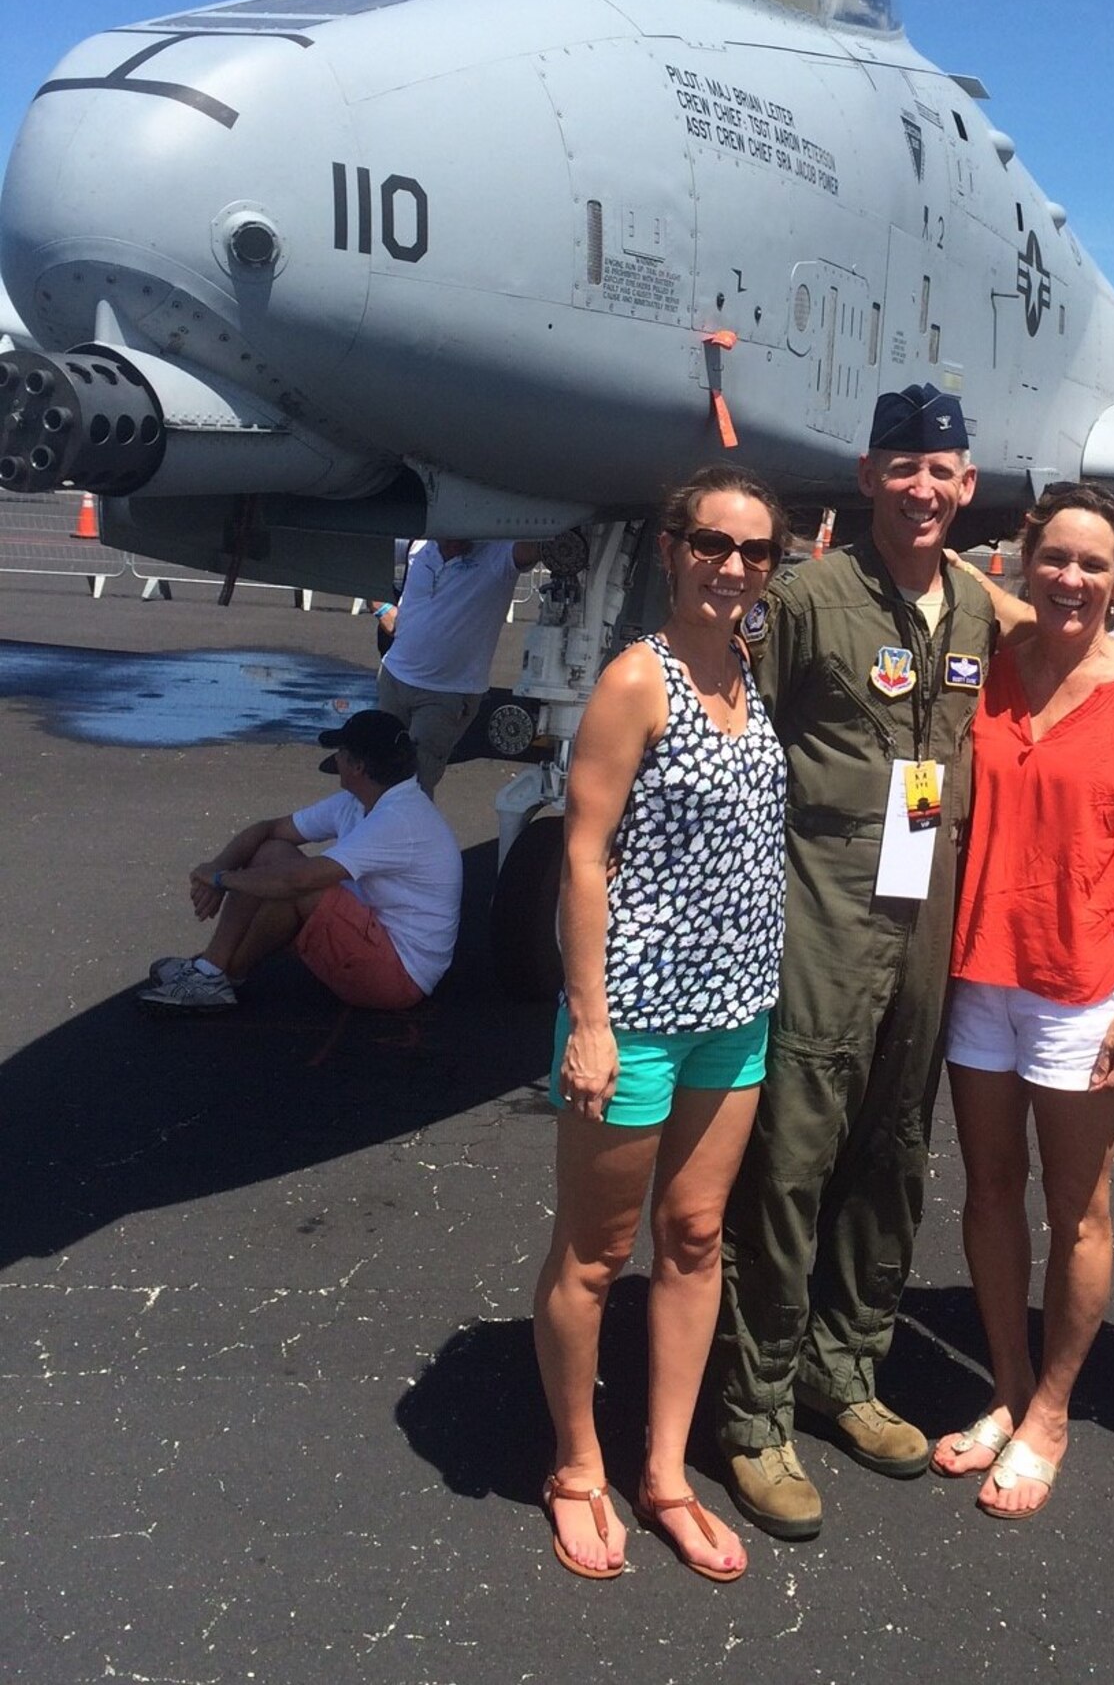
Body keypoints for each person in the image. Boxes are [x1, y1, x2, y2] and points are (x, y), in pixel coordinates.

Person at [714, 381, 996, 1541]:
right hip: (820, 904)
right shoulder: (806, 601)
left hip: (923, 905)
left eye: (941, 471)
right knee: (791, 1154)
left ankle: (846, 1368)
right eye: (900, 466)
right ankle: (755, 1411)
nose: (921, 487)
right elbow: (740, 737)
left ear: (966, 485)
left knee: (892, 1143)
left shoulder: (977, 606)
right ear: (870, 476)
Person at [532, 465, 788, 1583]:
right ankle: (576, 1464)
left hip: (733, 1011)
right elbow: (582, 851)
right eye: (710, 543)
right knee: (595, 1252)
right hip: (631, 1015)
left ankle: (666, 1470)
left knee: (692, 1238)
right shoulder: (639, 678)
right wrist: (586, 1018)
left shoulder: (751, 665)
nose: (731, 565)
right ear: (671, 546)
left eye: (754, 550)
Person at [932, 482, 1114, 1518]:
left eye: (1093, 564)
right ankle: (1006, 1385)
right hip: (978, 974)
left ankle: (1051, 1407)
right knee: (989, 1187)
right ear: (1025, 561)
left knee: (1075, 1206)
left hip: (1080, 986)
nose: (1071, 578)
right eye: (1054, 557)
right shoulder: (992, 673)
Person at [140, 710, 463, 1013]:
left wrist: (222, 880)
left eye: (341, 752)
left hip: (400, 977)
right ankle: (213, 971)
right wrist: (219, 865)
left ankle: (216, 975)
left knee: (304, 886)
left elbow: (299, 882)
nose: (335, 758)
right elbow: (269, 830)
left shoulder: (400, 819)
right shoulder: (362, 801)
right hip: (373, 939)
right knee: (272, 852)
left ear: (357, 766)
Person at [376, 538, 543, 794]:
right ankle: (374, 831)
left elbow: (533, 546)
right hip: (393, 677)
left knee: (414, 786)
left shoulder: (500, 555)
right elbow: (366, 550)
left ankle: (402, 832)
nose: (454, 543)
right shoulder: (416, 543)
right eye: (447, 536)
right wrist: (379, 605)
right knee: (376, 772)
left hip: (446, 694)